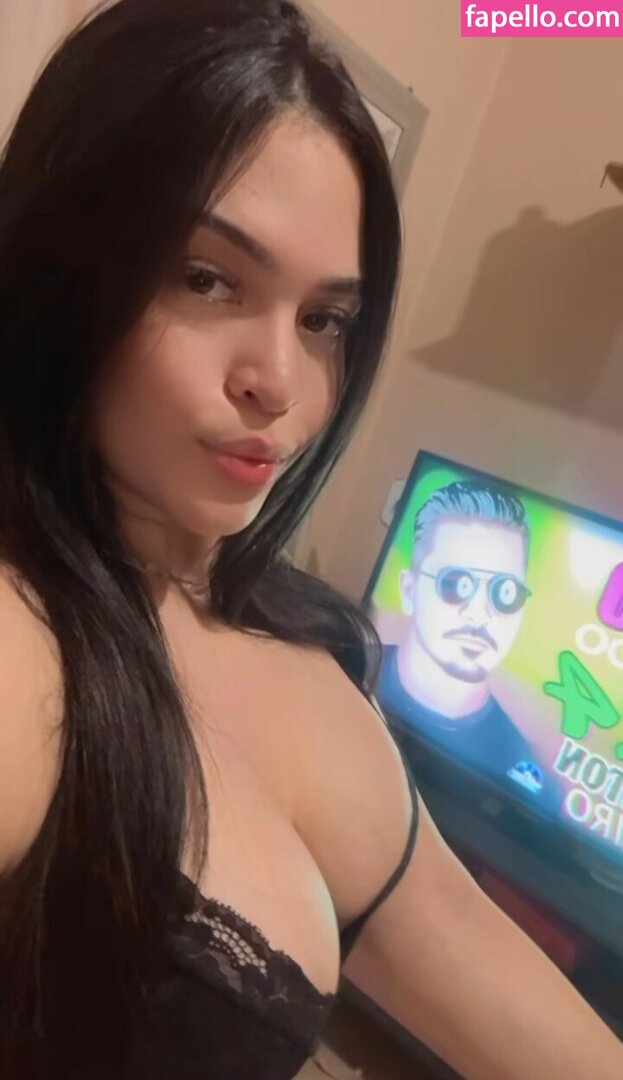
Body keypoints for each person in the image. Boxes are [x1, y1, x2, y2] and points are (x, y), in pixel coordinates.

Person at [0, 2, 619, 1078]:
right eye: (207, 278)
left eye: (323, 320)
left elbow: (458, 937)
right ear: (64, 264)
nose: (279, 382)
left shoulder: (311, 646)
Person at [377, 480, 557, 800]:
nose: (479, 614)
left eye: (505, 593)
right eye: (456, 583)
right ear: (409, 590)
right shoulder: (340, 670)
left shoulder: (527, 781)